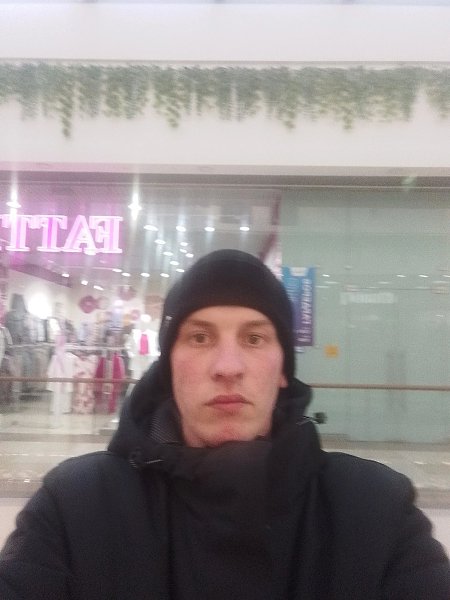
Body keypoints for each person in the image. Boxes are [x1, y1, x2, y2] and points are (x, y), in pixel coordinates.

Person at [0, 249, 449, 600]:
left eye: (254, 338)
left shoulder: (374, 512)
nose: (228, 366)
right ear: (168, 366)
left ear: (283, 369)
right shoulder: (76, 508)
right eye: (200, 337)